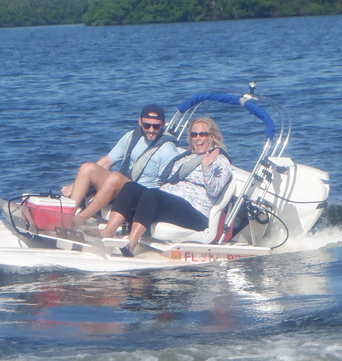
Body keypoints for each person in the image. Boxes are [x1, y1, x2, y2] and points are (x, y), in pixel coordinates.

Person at [100, 116, 232, 256]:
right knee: (130, 187)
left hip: (195, 212)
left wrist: (206, 168)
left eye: (203, 134)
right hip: (170, 203)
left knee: (153, 195)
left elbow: (214, 191)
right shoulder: (186, 157)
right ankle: (108, 232)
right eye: (194, 134)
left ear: (212, 137)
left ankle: (130, 246)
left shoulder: (220, 161)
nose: (198, 138)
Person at [61, 105, 180, 224]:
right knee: (87, 167)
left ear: (163, 124)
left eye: (156, 126)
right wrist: (73, 185)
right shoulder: (131, 137)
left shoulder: (167, 150)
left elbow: (167, 185)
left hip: (144, 195)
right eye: (147, 125)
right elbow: (106, 162)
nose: (151, 130)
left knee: (115, 178)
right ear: (140, 122)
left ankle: (79, 220)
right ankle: (66, 216)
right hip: (125, 187)